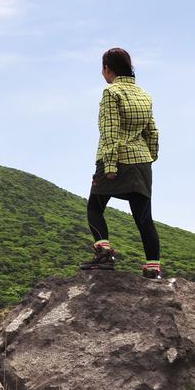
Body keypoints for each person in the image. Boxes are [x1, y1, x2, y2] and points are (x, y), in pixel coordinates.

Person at [82, 47, 162, 278]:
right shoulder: (144, 95)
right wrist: (149, 158)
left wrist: (109, 166)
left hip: (117, 160)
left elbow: (110, 132)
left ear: (107, 68)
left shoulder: (111, 92)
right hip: (142, 163)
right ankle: (153, 268)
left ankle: (104, 254)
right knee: (144, 217)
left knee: (95, 208)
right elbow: (152, 132)